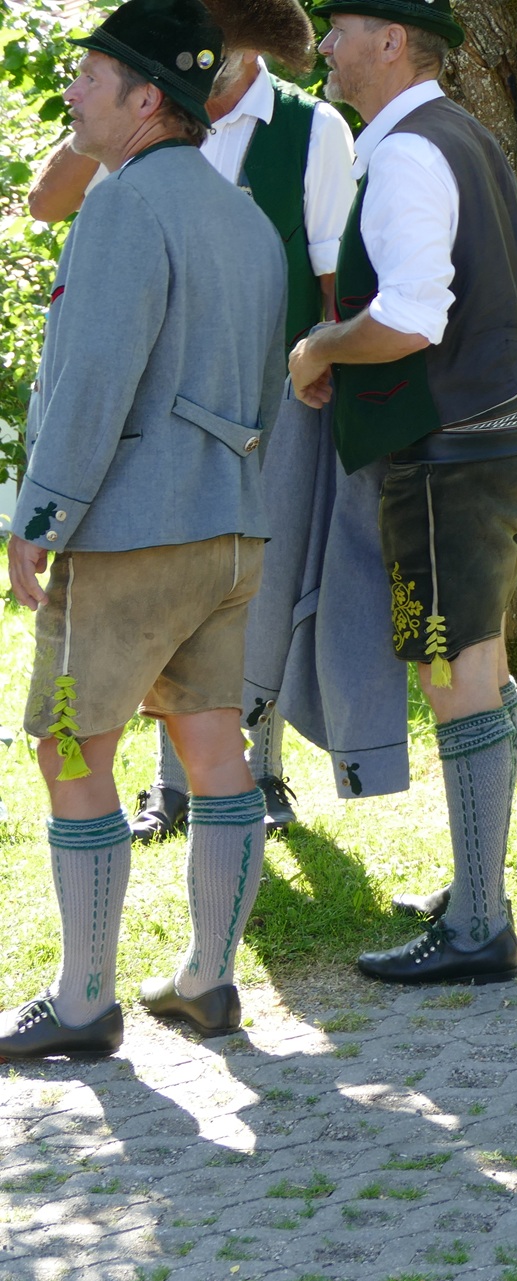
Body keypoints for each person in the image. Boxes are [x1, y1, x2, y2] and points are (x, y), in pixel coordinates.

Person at [28, 0, 405, 843]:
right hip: (191, 455)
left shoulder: (303, 131)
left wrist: (39, 517)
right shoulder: (156, 148)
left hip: (229, 434)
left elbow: (328, 283)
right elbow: (45, 204)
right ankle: (190, 820)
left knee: (82, 737)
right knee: (205, 707)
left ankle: (251, 776)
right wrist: (104, 113)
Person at [0, 0, 287, 1055]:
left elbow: (91, 381)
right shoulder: (246, 216)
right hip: (232, 528)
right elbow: (262, 385)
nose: (72, 91)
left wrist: (39, 514)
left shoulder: (121, 205)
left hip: (133, 536)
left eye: (89, 75)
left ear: (147, 97)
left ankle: (83, 1002)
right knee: (213, 743)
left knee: (67, 742)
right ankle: (208, 983)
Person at [290, 0, 517, 984]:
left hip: (454, 456)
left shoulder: (406, 152)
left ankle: (479, 926)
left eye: (339, 27)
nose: (324, 46)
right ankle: (479, 892)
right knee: (480, 662)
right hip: (514, 436)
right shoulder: (467, 136)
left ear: (391, 42)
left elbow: (409, 320)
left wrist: (320, 347)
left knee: (456, 671)